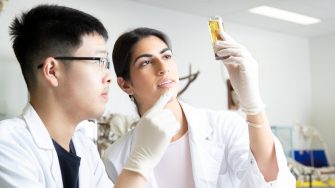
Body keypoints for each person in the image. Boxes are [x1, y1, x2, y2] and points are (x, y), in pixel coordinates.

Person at [0, 5, 179, 188]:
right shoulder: (6, 146)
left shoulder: (85, 149)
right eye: (99, 61)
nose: (109, 76)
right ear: (52, 71)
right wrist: (139, 164)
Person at [102, 27, 296, 187]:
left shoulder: (223, 126)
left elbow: (272, 182)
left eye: (167, 56)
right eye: (145, 62)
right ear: (125, 84)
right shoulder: (116, 157)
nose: (163, 68)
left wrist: (253, 106)